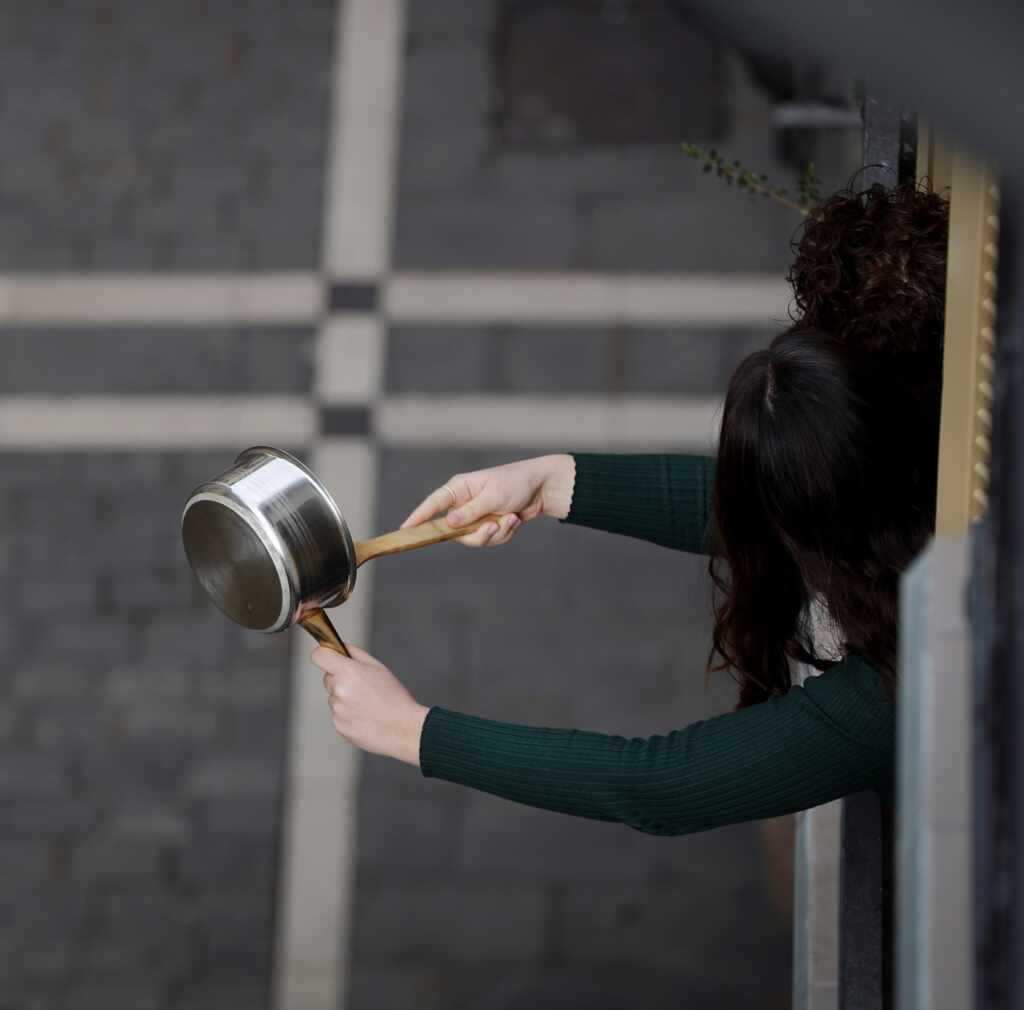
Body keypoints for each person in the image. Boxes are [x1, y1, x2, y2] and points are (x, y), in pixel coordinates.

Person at [309, 182, 949, 836]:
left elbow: (658, 784)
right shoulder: (938, 462)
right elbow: (776, 512)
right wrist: (550, 482)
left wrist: (412, 731)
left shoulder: (898, 685)